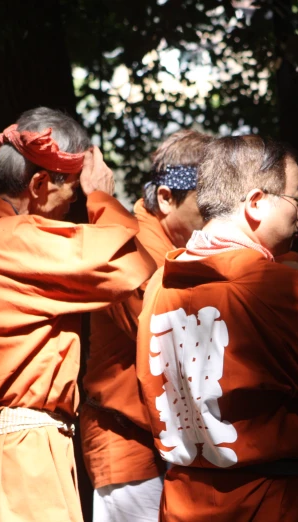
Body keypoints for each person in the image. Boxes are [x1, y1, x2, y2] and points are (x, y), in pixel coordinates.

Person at [0, 107, 156, 522]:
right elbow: (128, 264)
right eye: (71, 191)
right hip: (24, 457)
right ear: (40, 183)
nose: (73, 202)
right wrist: (102, 199)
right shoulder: (18, 240)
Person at [135, 135, 298, 521]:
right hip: (278, 502)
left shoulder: (158, 285)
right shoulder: (278, 288)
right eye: (295, 197)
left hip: (184, 499)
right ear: (255, 202)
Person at [80, 129, 212, 522]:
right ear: (167, 199)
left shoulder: (184, 248)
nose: (218, 214)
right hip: (127, 443)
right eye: (207, 204)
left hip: (174, 445)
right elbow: (158, 327)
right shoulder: (129, 243)